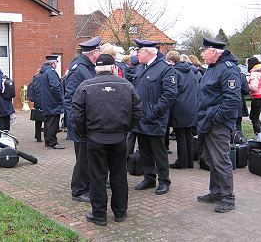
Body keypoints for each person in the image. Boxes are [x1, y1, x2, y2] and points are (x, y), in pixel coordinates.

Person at [72, 54, 142, 226]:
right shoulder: (126, 85)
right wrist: (126, 128)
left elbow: (77, 114)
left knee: (97, 177)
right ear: (113, 68)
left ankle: (99, 215)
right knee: (119, 176)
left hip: (95, 139)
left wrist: (84, 133)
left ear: (96, 69)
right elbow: (138, 110)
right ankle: (120, 212)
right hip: (119, 138)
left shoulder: (86, 86)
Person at [197, 37, 241, 213]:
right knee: (210, 158)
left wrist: (215, 119)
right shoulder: (212, 68)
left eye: (204, 50)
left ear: (213, 52)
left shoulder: (228, 70)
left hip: (218, 124)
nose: (201, 53)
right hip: (206, 121)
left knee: (221, 160)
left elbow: (232, 100)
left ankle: (228, 197)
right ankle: (216, 192)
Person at [131, 39, 177, 195]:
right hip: (140, 118)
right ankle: (149, 177)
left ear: (148, 52)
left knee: (159, 151)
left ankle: (164, 180)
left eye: (139, 51)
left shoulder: (165, 69)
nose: (136, 54)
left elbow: (170, 94)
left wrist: (155, 111)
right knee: (144, 151)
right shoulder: (139, 69)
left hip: (155, 118)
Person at [65, 36, 101, 203]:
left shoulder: (87, 67)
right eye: (99, 50)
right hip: (80, 122)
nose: (100, 53)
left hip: (87, 120)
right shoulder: (79, 68)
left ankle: (86, 185)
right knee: (83, 158)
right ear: (94, 53)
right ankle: (78, 190)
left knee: (87, 156)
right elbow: (70, 98)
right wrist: (76, 122)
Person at [166, 51, 198, 169]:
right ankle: (189, 161)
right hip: (191, 106)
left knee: (180, 135)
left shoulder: (174, 72)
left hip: (179, 107)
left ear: (171, 61)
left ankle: (182, 161)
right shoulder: (191, 71)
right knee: (188, 134)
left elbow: (173, 91)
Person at [39, 55, 65, 149]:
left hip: (47, 101)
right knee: (53, 123)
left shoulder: (44, 72)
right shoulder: (51, 72)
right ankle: (53, 142)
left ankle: (48, 141)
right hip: (53, 102)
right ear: (54, 63)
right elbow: (55, 87)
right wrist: (60, 99)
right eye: (57, 62)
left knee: (48, 122)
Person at [247, 57, 261, 141]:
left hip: (257, 97)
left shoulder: (254, 73)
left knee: (254, 117)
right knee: (256, 116)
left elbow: (254, 87)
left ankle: (259, 137)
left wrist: (246, 84)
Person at [27, 69, 43, 142]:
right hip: (42, 101)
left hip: (37, 101)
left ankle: (38, 136)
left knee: (38, 120)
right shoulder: (41, 78)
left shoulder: (35, 78)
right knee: (46, 119)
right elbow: (38, 90)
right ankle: (44, 136)